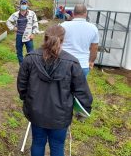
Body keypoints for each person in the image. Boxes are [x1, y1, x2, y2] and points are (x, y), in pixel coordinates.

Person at [17, 25, 93, 156]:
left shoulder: (29, 58)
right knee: (58, 145)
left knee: (38, 142)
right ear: (63, 40)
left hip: (36, 113)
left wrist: (28, 101)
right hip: (60, 116)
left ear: (44, 38)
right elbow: (82, 91)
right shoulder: (72, 63)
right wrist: (84, 111)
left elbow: (22, 86)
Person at [61, 5, 99, 78]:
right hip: (82, 64)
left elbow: (56, 43)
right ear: (86, 13)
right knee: (79, 88)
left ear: (73, 13)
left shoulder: (63, 26)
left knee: (62, 88)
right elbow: (94, 48)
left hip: (64, 63)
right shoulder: (93, 28)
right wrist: (91, 61)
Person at [6, 0, 39, 65]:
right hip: (19, 36)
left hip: (28, 36)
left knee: (31, 53)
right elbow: (8, 21)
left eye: (25, 4)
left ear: (27, 5)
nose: (23, 5)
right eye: (22, 4)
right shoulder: (15, 14)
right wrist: (13, 27)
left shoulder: (32, 14)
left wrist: (33, 33)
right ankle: (21, 65)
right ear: (20, 5)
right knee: (19, 52)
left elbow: (35, 23)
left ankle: (30, 66)